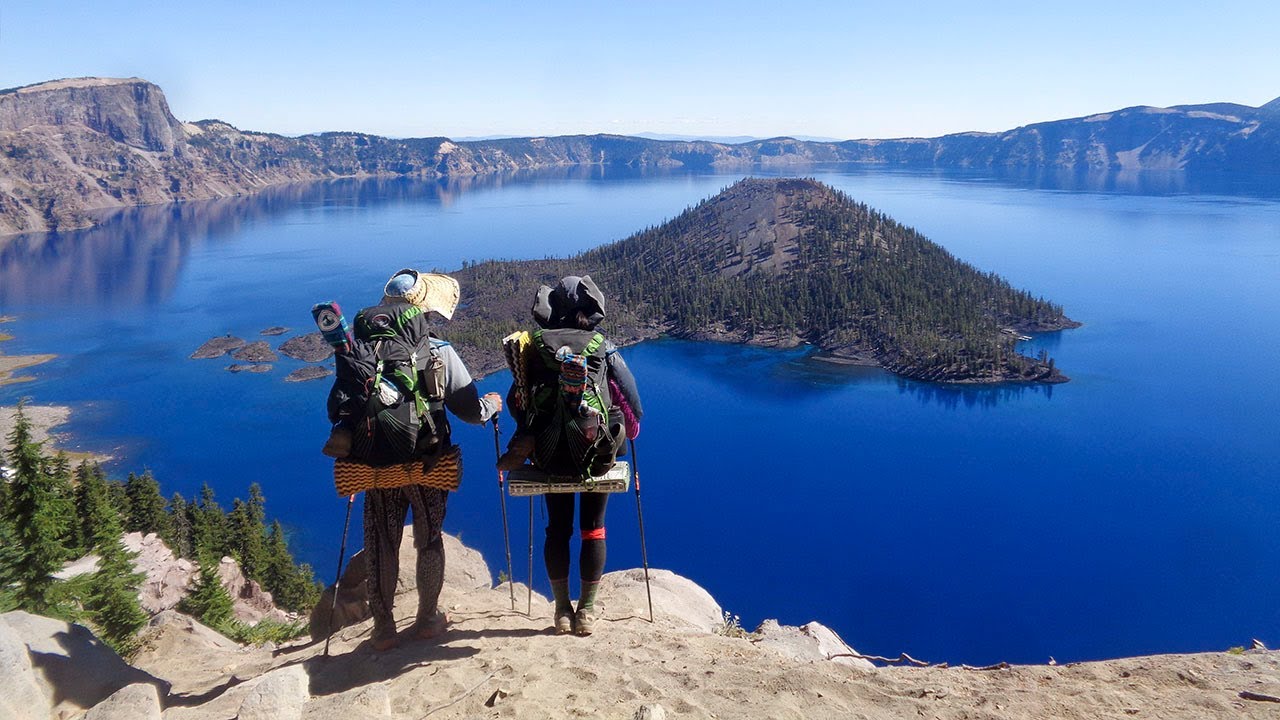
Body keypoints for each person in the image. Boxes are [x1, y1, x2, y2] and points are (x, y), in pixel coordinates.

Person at [359, 269, 502, 651]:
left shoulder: (363, 351)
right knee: (429, 537)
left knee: (381, 540)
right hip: (428, 459)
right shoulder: (439, 351)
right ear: (422, 311)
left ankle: (383, 628)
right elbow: (470, 410)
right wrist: (491, 406)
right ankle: (427, 618)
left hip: (377, 462)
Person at [499, 275, 643, 635]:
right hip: (596, 453)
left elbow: (517, 402)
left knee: (557, 530)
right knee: (593, 530)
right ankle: (588, 612)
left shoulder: (532, 345)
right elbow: (634, 406)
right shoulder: (601, 344)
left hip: (549, 453)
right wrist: (627, 428)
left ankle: (562, 610)